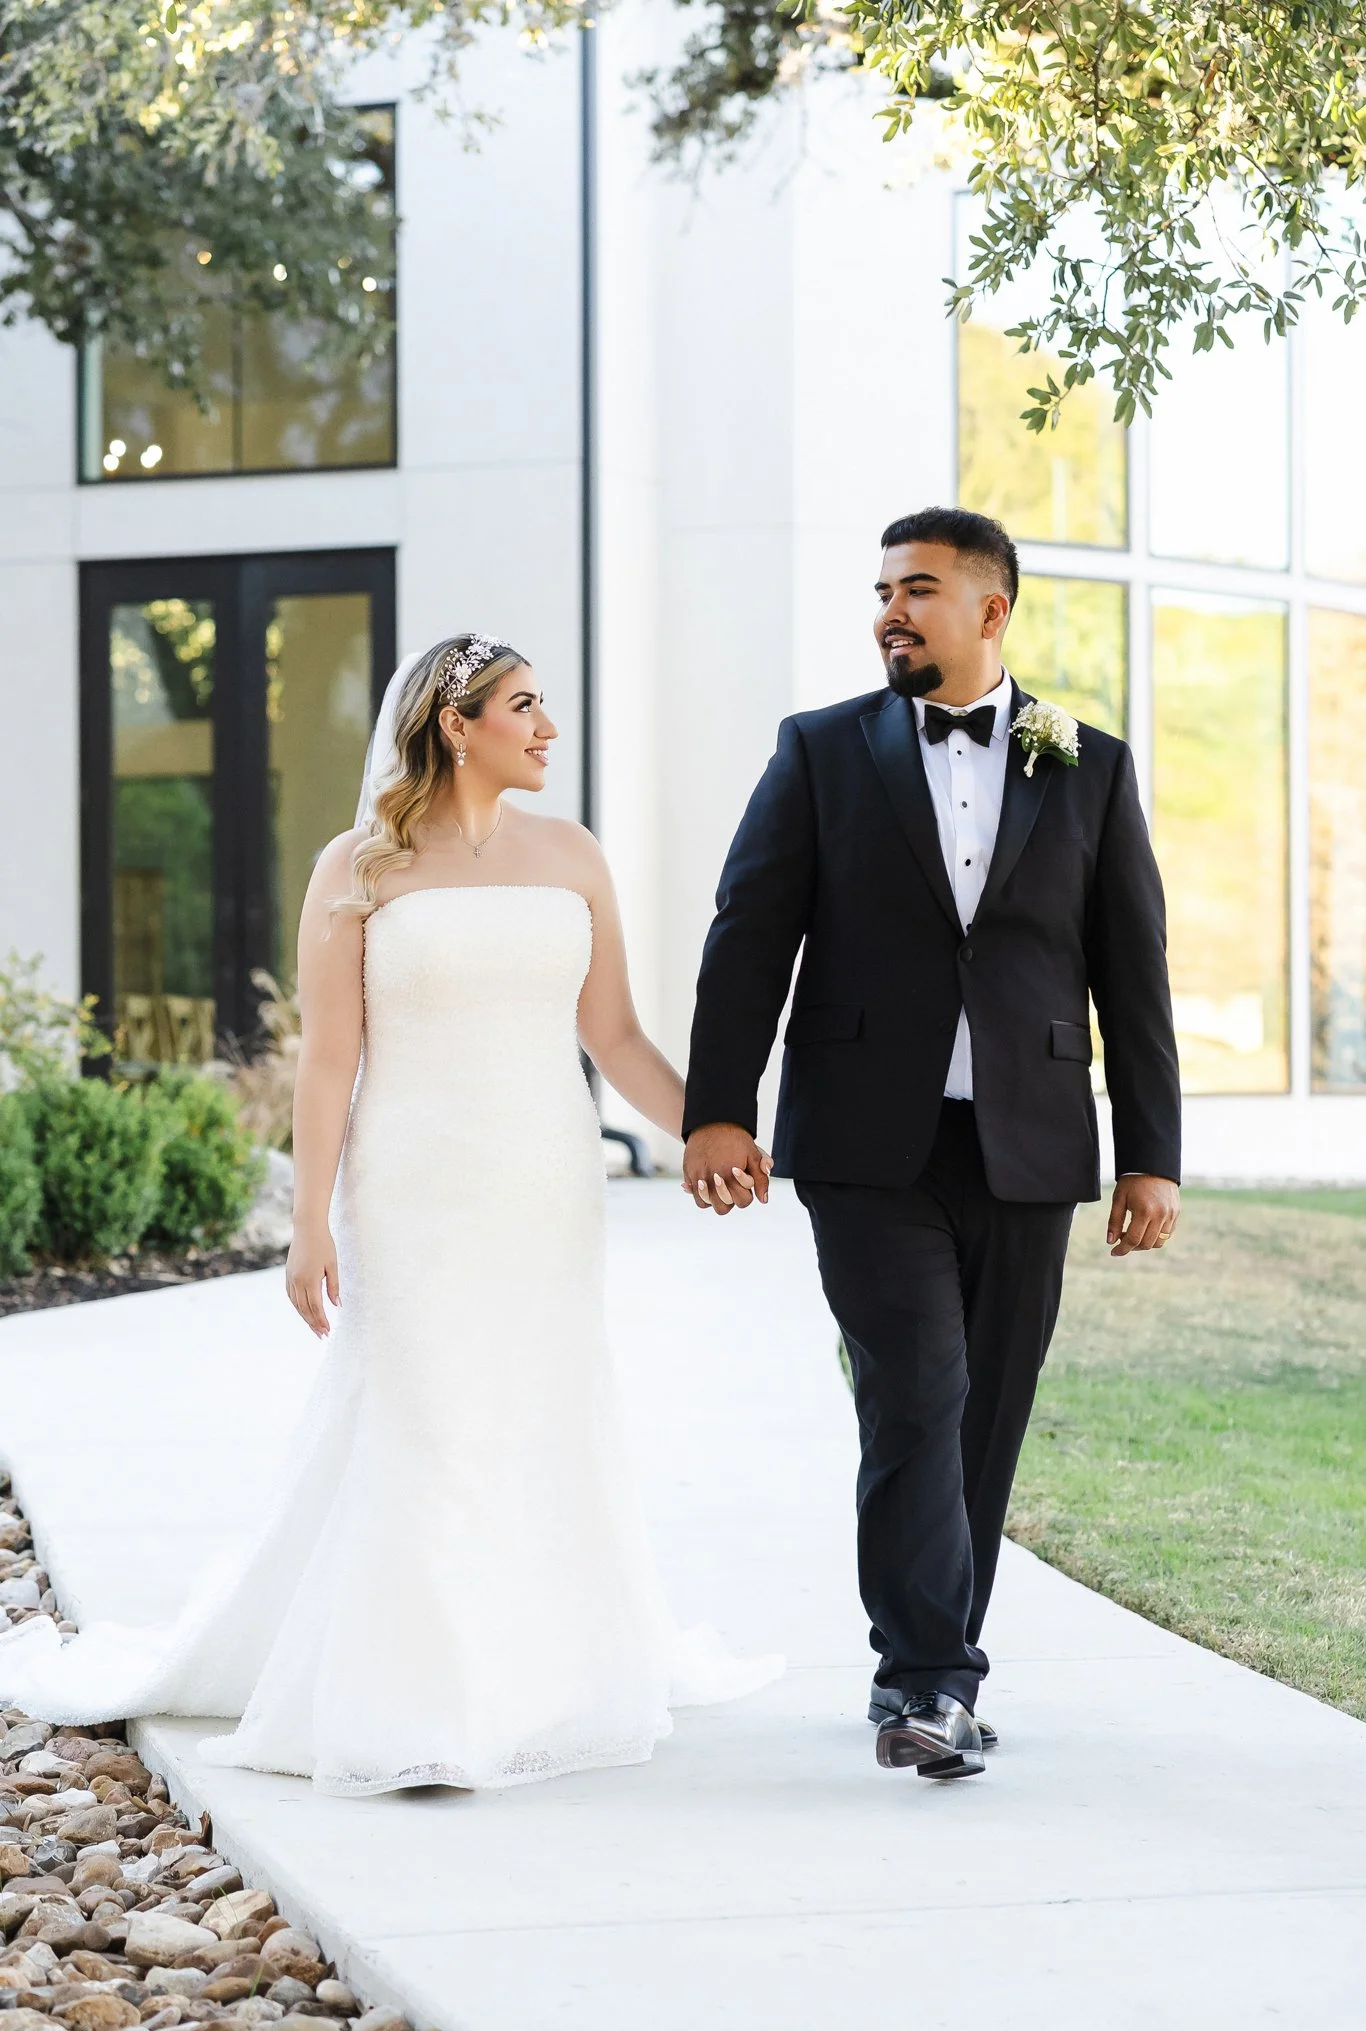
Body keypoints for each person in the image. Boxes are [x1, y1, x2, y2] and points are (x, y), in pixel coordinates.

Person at [0, 634, 780, 1792]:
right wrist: (306, 1221)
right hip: (411, 1179)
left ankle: (535, 1673)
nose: (547, 727)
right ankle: (418, 1701)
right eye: (525, 706)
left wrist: (715, 1127)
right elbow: (327, 1060)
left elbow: (611, 1034)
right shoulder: (358, 865)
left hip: (542, 1182)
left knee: (533, 1407)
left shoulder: (572, 855)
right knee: (425, 1417)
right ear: (459, 725)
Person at [682, 508, 1181, 1780]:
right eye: (882, 590)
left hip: (1029, 1146)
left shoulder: (1091, 766)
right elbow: (750, 934)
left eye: (918, 589)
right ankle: (929, 1680)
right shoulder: (819, 752)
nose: (889, 612)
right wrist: (716, 1107)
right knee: (915, 1393)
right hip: (863, 1144)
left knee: (984, 1418)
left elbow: (1133, 976)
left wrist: (1150, 1153)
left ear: (991, 611)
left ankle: (928, 1662)